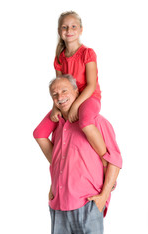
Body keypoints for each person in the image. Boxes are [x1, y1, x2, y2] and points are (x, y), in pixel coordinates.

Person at [35, 75, 122, 234]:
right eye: (55, 94)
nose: (60, 97)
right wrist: (54, 185)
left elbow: (115, 160)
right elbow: (59, 162)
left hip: (87, 204)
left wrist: (103, 196)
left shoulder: (97, 122)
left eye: (64, 91)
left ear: (76, 91)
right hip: (59, 206)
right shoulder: (58, 129)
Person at [33, 10, 108, 174]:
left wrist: (76, 107)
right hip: (67, 101)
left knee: (86, 123)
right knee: (39, 132)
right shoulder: (59, 58)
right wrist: (55, 108)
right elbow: (58, 87)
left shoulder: (88, 53)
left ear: (81, 30)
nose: (69, 30)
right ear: (59, 31)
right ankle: (59, 165)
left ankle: (104, 161)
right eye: (65, 27)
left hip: (88, 98)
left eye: (73, 26)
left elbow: (91, 85)